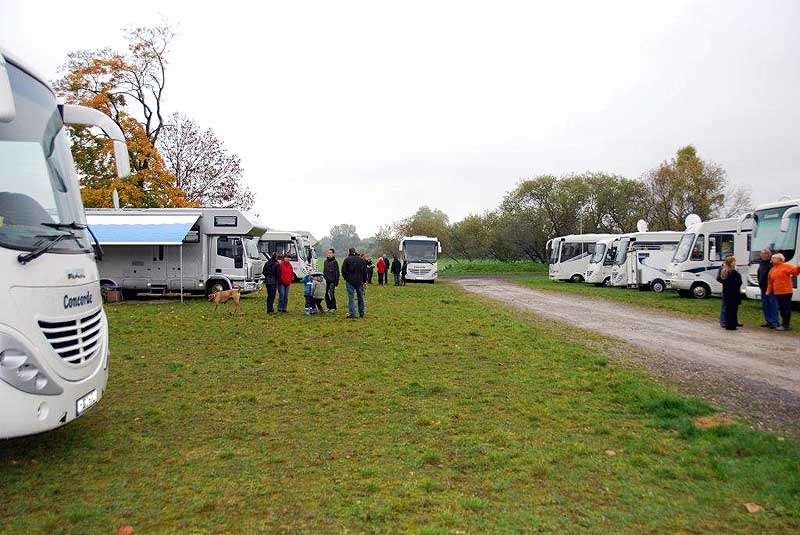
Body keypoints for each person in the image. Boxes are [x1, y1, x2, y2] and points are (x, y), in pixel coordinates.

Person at [766, 253, 800, 331]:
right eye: (772, 258)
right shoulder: (772, 270)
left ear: (780, 259)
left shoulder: (786, 266)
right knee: (781, 308)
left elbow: (795, 272)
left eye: (774, 258)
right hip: (777, 292)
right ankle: (783, 323)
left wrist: (798, 268)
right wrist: (768, 291)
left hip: (786, 291)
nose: (772, 259)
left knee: (786, 308)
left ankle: (786, 324)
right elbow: (770, 282)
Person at [716, 256, 742, 330]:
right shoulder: (730, 271)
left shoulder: (726, 270)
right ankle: (727, 322)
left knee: (728, 308)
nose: (735, 263)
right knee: (729, 308)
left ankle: (730, 322)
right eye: (734, 261)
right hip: (732, 292)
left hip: (727, 292)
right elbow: (737, 282)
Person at [341, 248, 368, 318]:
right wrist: (364, 281)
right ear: (355, 251)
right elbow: (365, 272)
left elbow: (343, 271)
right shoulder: (361, 260)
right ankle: (361, 312)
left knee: (351, 298)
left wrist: (346, 278)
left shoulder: (347, 260)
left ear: (349, 252)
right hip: (360, 281)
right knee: (361, 297)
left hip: (350, 281)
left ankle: (352, 313)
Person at [756, 248, 779, 329]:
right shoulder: (761, 263)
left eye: (765, 254)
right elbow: (759, 274)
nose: (763, 255)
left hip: (771, 288)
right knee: (765, 304)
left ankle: (774, 321)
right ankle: (768, 321)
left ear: (769, 255)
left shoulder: (772, 264)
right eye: (762, 254)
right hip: (763, 288)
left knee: (772, 304)